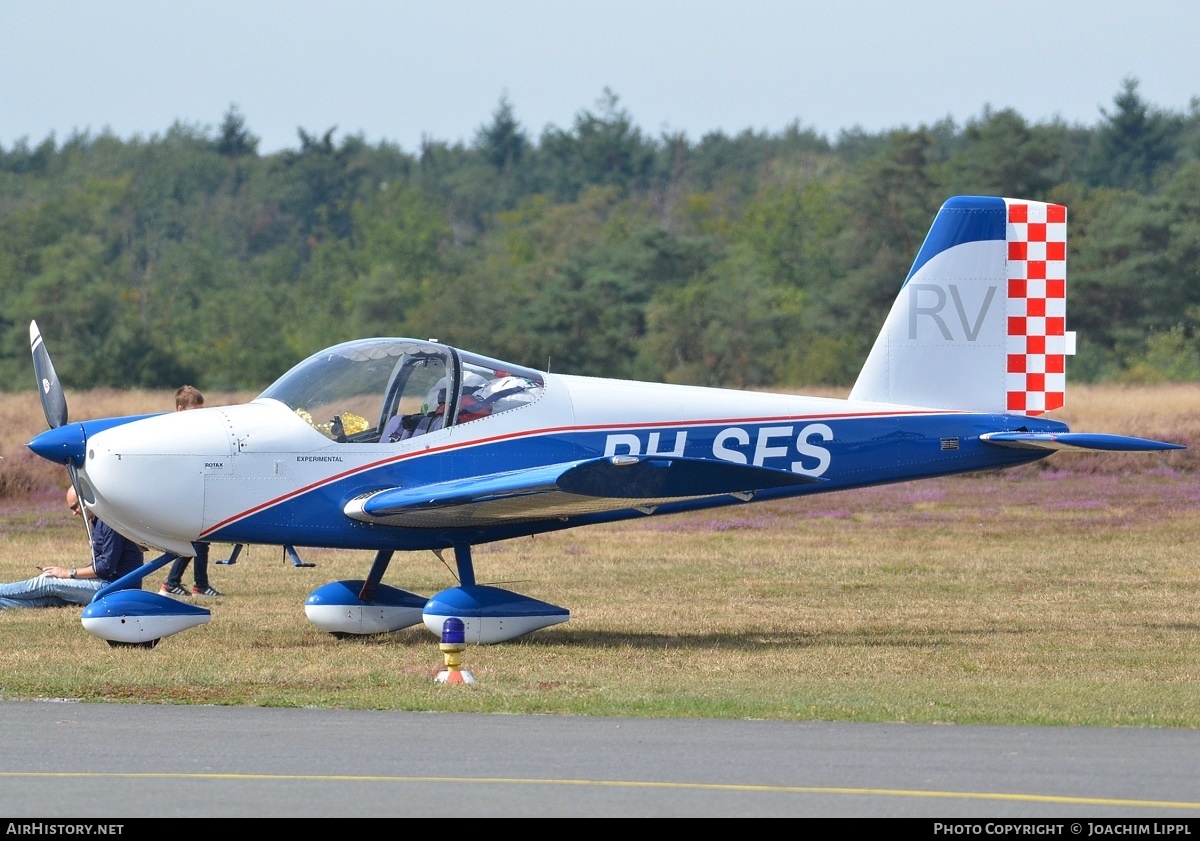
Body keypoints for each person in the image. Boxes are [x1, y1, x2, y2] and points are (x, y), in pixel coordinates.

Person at [0, 487, 144, 609]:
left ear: (86, 499)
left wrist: (68, 573)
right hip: (107, 583)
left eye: (75, 506)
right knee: (51, 599)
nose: (74, 512)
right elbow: (99, 564)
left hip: (115, 588)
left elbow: (105, 567)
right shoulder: (98, 520)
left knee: (47, 581)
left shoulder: (110, 523)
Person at [160, 385, 222, 597]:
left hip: (192, 491)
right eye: (195, 411)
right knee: (196, 539)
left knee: (199, 540)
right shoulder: (175, 433)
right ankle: (181, 584)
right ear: (180, 409)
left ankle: (193, 584)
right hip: (183, 493)